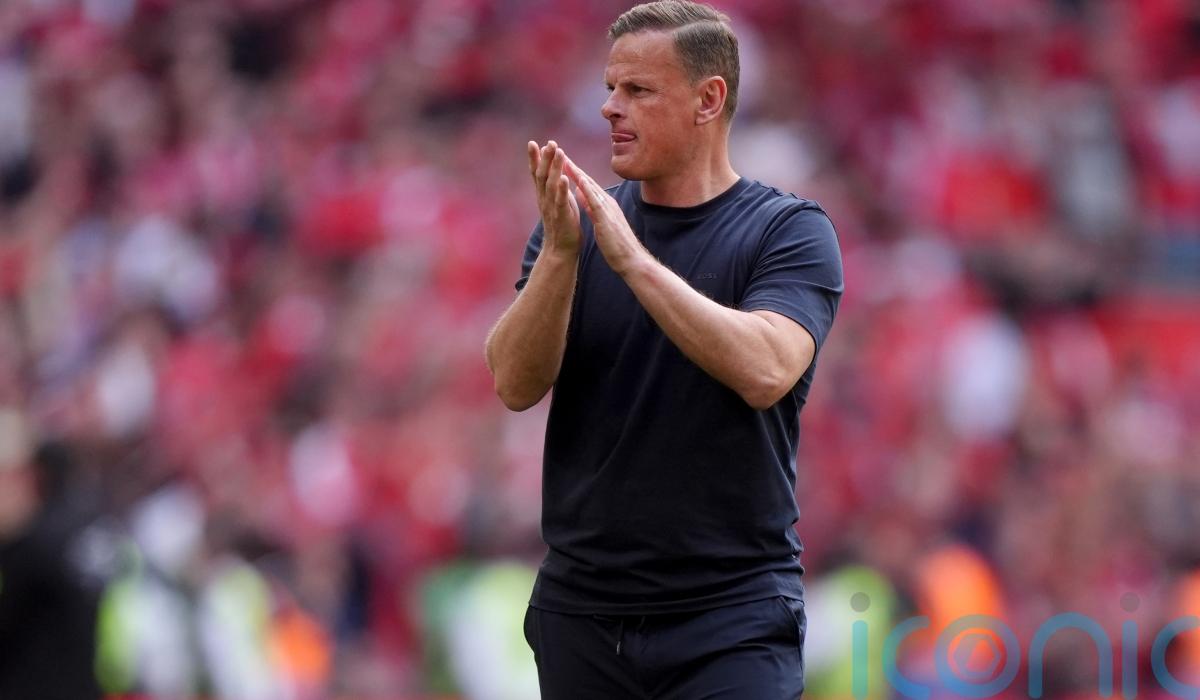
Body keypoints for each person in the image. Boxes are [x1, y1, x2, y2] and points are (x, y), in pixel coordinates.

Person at [484, 1, 843, 697]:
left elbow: (768, 368)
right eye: (610, 87)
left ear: (709, 100)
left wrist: (633, 262)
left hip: (730, 615)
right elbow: (514, 383)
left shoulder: (788, 231)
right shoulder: (575, 230)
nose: (609, 108)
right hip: (583, 614)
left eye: (638, 90)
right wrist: (560, 254)